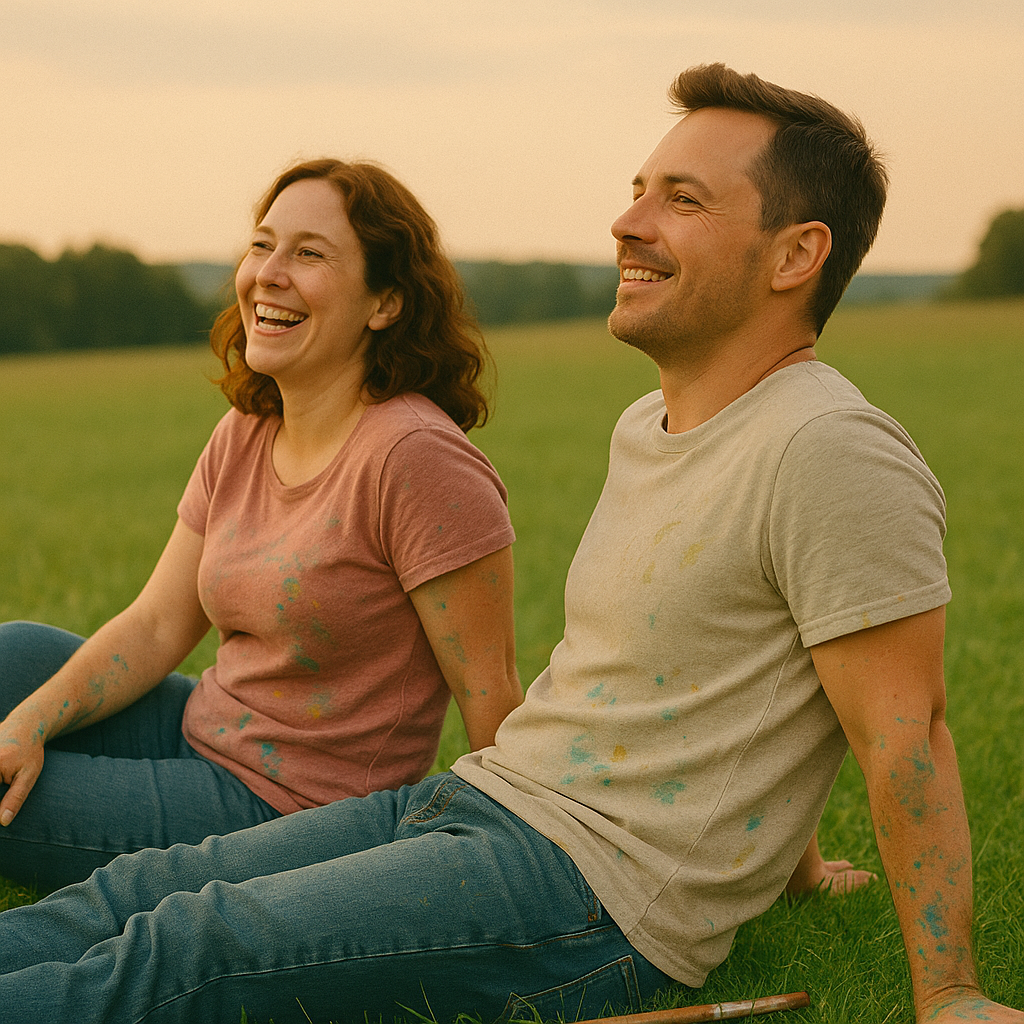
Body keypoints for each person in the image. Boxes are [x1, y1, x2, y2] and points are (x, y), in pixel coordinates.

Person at [0, 64, 1019, 1024]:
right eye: (636, 190)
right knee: (141, 888)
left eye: (683, 200)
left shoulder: (831, 450)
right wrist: (789, 863)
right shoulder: (650, 426)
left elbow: (903, 728)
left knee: (192, 941)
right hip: (484, 796)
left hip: (586, 890)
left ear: (796, 254)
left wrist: (950, 992)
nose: (627, 221)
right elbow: (725, 680)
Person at [0, 159, 521, 892]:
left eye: (309, 254)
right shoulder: (246, 429)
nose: (269, 274)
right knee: (12, 655)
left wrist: (510, 872)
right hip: (198, 728)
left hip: (291, 811)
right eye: (263, 245)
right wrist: (31, 722)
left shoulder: (417, 460)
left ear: (386, 303)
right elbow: (155, 626)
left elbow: (490, 691)